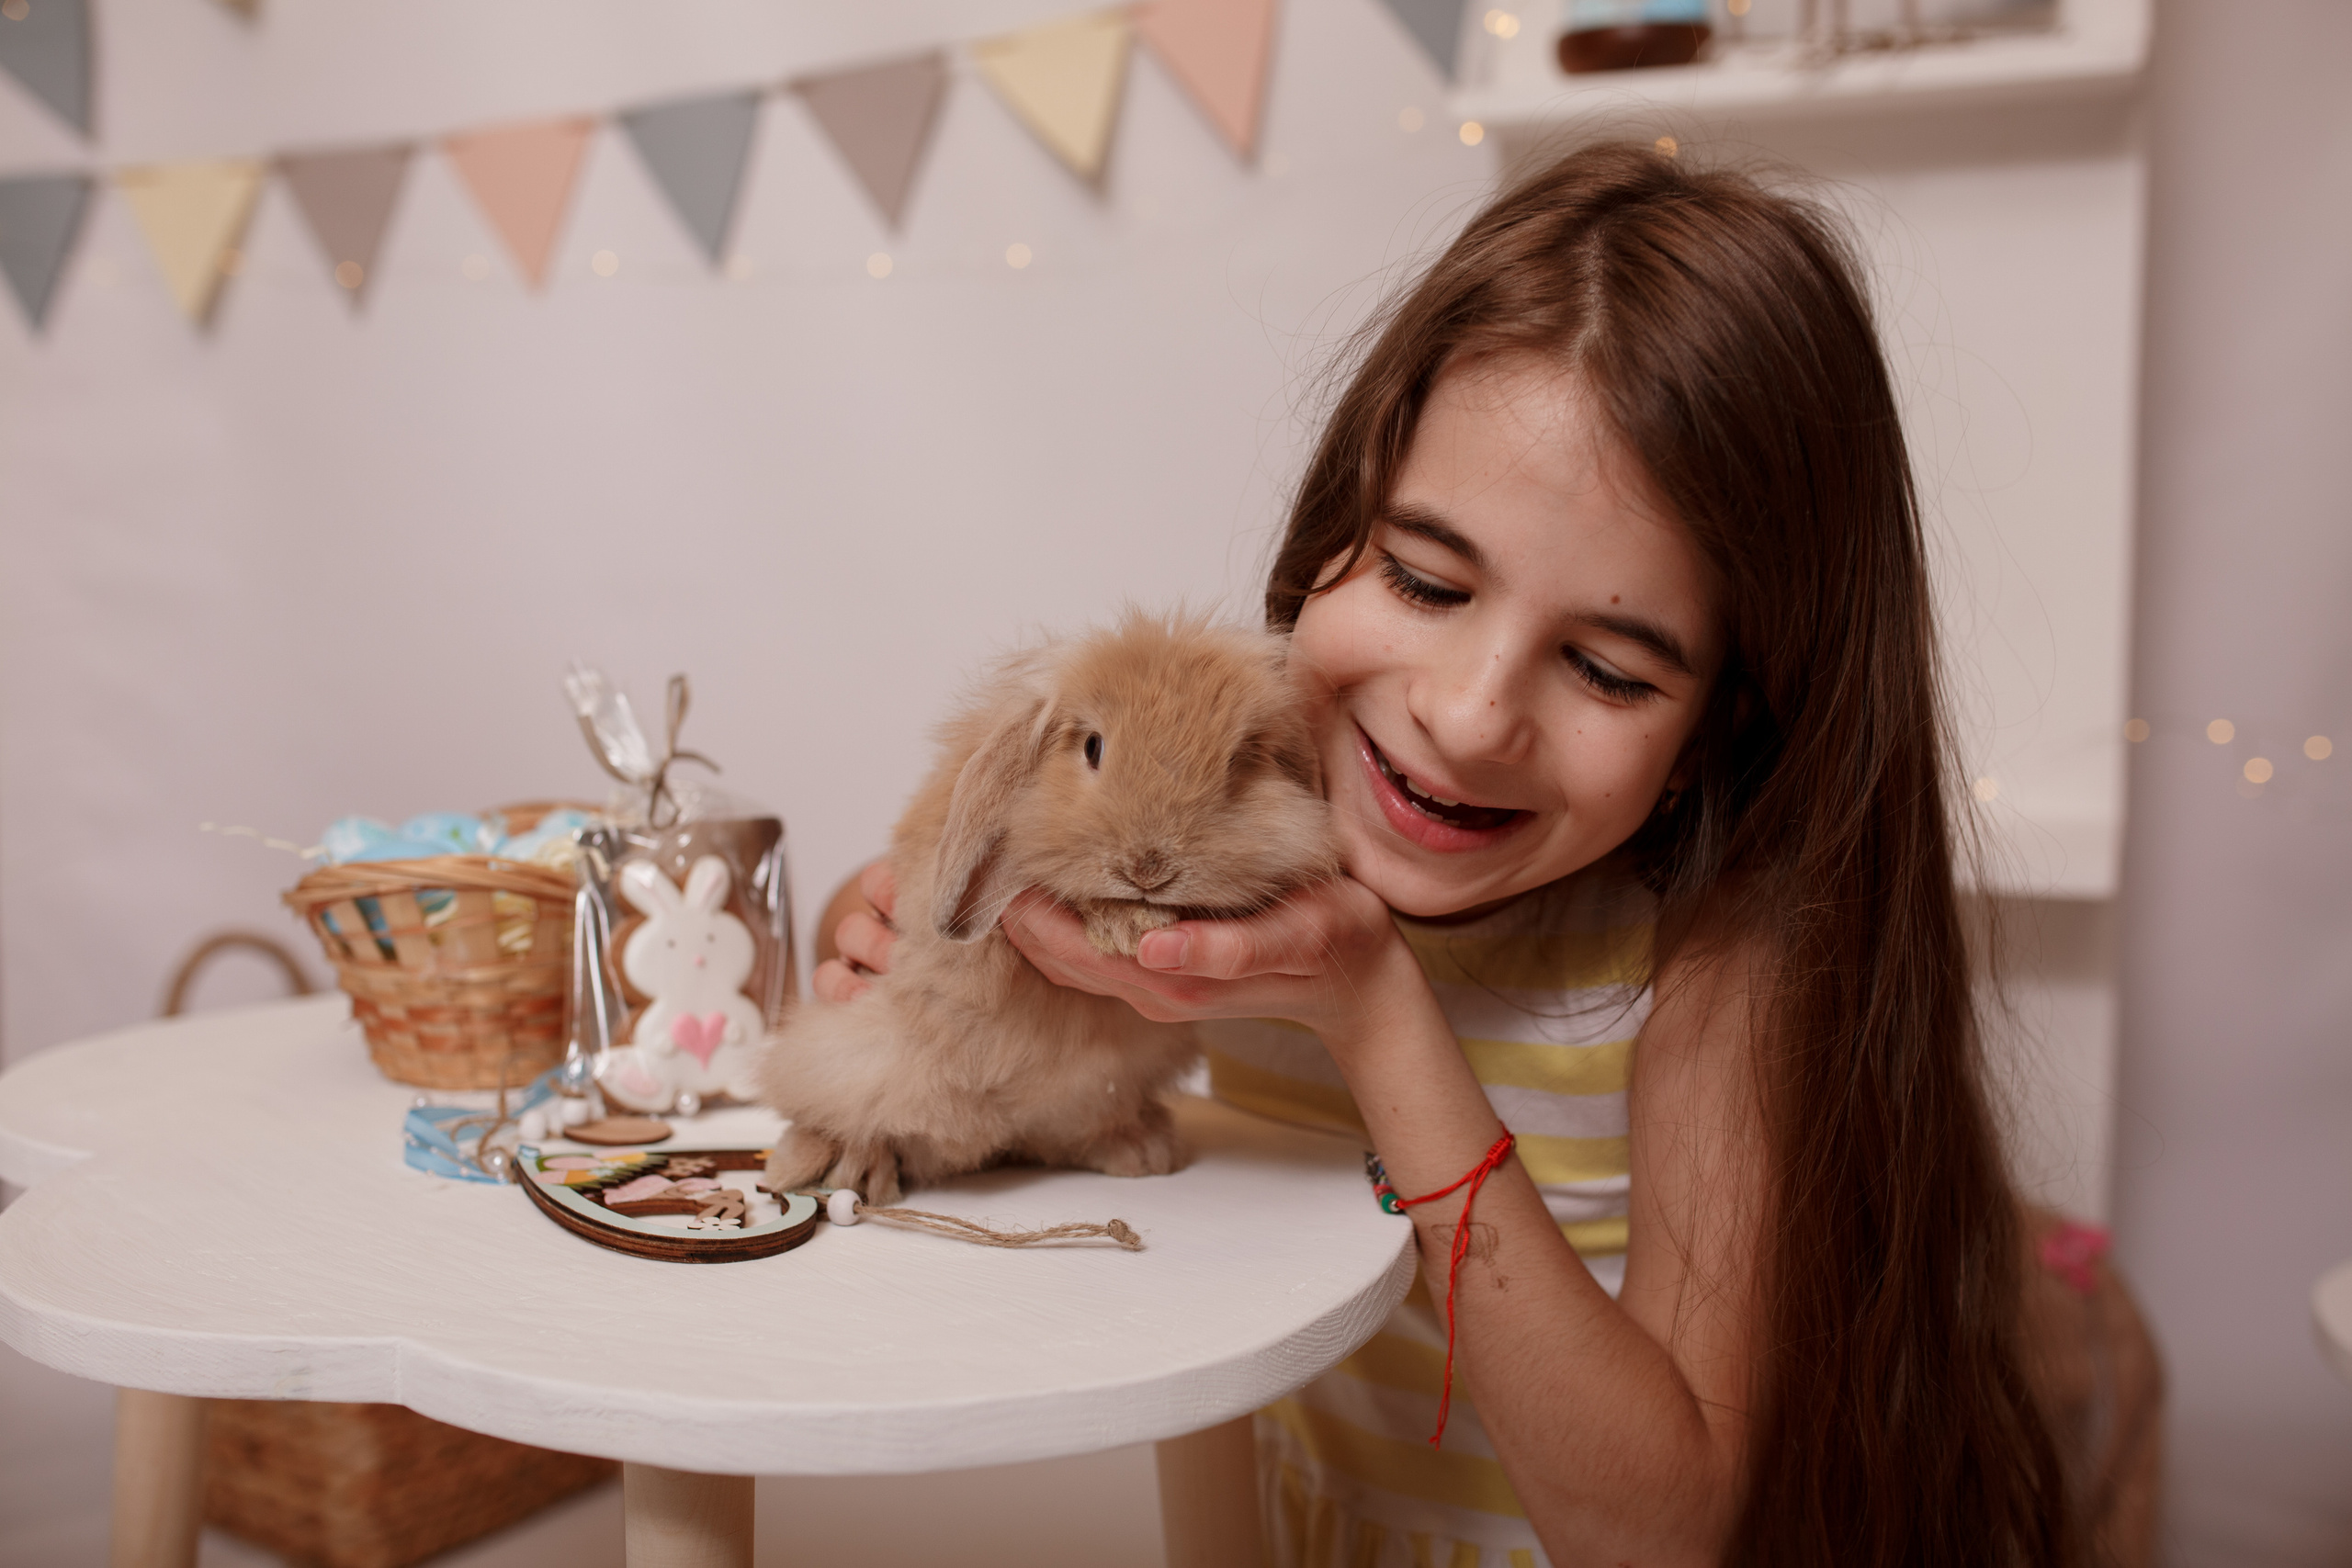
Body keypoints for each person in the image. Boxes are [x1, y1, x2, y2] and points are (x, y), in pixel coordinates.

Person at [809, 141, 2073, 1567]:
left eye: (1604, 668)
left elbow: (1653, 1534)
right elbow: (1014, 1041)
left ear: (1723, 723)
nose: (1468, 719)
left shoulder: (1716, 968)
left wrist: (1375, 1009)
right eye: (1423, 580)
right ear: (1335, 531)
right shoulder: (1245, 837)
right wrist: (910, 956)